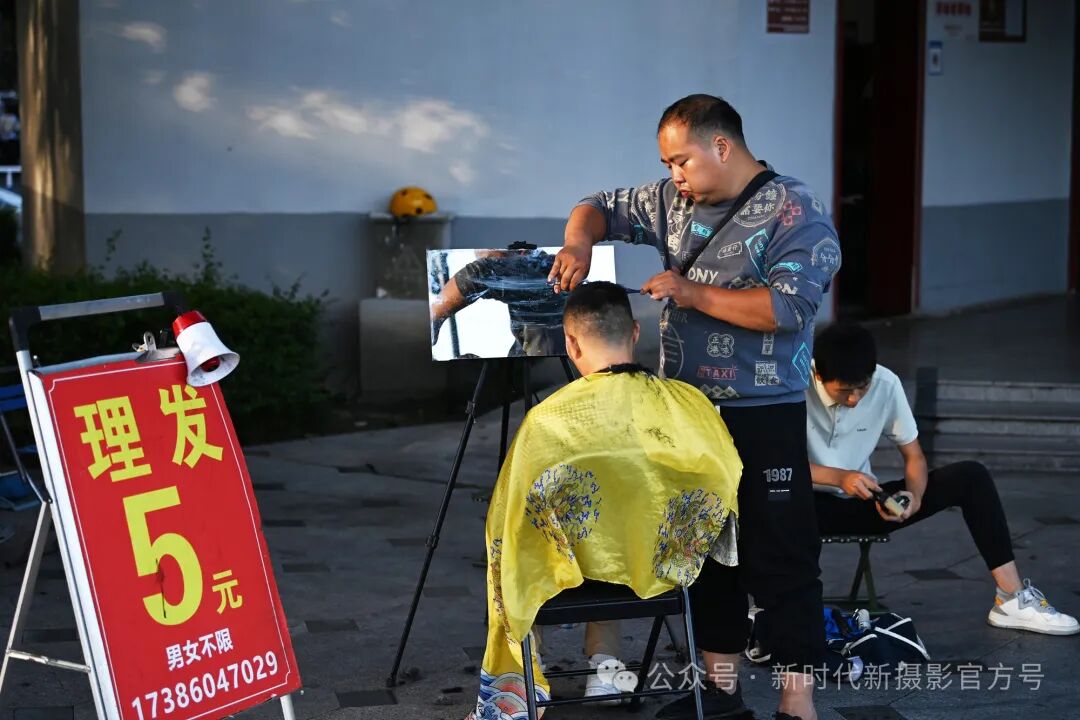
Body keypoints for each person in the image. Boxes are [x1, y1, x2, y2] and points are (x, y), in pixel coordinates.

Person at [549, 94, 841, 720]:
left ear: (722, 146)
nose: (674, 175)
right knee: (704, 549)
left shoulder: (796, 210)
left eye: (681, 161)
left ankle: (797, 700)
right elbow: (597, 206)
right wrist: (578, 243)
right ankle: (722, 691)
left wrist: (692, 293)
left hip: (765, 411)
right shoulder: (670, 202)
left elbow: (788, 309)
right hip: (687, 413)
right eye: (667, 164)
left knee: (783, 554)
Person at [465, 282, 743, 719]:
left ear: (571, 343)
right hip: (667, 571)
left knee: (519, 541)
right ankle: (605, 664)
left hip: (570, 578)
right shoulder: (690, 404)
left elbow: (510, 520)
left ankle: (523, 679)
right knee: (614, 526)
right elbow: (724, 487)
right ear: (635, 332)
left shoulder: (549, 420)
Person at [805, 323, 1078, 636]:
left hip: (863, 501)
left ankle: (1010, 599)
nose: (854, 399)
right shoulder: (794, 383)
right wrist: (839, 477)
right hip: (802, 505)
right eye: (844, 391)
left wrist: (914, 496)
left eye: (862, 388)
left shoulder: (885, 384)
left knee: (971, 476)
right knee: (774, 493)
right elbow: (774, 464)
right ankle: (781, 605)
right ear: (819, 376)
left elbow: (915, 457)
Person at [430, 249, 567, 357]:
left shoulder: (538, 272)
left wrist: (431, 317)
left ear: (520, 250)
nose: (497, 266)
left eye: (493, 260)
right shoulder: (548, 278)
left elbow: (480, 273)